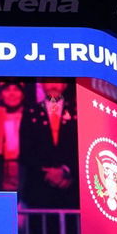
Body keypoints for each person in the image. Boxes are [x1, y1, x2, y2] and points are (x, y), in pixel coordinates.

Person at [19, 80, 77, 208]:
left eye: (58, 81)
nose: (53, 85)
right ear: (42, 85)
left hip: (69, 186)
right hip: (39, 186)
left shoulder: (76, 112)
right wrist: (48, 172)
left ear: (65, 85)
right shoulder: (31, 112)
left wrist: (66, 171)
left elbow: (81, 148)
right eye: (48, 81)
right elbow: (25, 150)